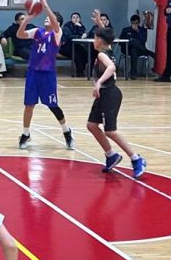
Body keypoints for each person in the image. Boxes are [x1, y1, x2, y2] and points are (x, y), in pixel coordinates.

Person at [17, 0, 75, 150]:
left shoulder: (57, 33)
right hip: (33, 73)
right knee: (29, 105)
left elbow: (54, 22)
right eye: (46, 17)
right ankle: (26, 134)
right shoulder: (37, 31)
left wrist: (45, 5)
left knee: (52, 105)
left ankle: (66, 131)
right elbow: (20, 34)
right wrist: (28, 19)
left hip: (47, 74)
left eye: (50, 18)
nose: (46, 18)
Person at [87, 27, 146, 179]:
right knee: (92, 125)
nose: (93, 40)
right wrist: (100, 23)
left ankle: (136, 159)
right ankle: (111, 155)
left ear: (100, 40)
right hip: (103, 95)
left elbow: (112, 67)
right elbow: (107, 38)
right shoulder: (108, 50)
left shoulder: (102, 55)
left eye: (95, 38)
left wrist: (99, 82)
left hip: (110, 94)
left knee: (110, 131)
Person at [118, 14, 153, 80]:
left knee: (134, 49)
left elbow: (143, 40)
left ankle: (133, 74)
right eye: (133, 23)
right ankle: (149, 53)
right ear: (131, 23)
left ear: (139, 23)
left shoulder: (143, 30)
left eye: (136, 23)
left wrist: (137, 31)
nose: (134, 25)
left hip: (140, 50)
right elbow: (120, 42)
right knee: (133, 43)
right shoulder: (125, 30)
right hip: (126, 49)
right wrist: (130, 41)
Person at [61, 11, 87, 77]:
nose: (75, 19)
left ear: (79, 19)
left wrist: (80, 27)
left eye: (77, 17)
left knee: (85, 54)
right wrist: (80, 36)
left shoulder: (81, 26)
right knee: (77, 55)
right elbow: (69, 36)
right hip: (66, 46)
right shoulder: (67, 26)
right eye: (74, 17)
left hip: (76, 45)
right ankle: (79, 73)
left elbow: (84, 34)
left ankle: (81, 71)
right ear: (71, 19)